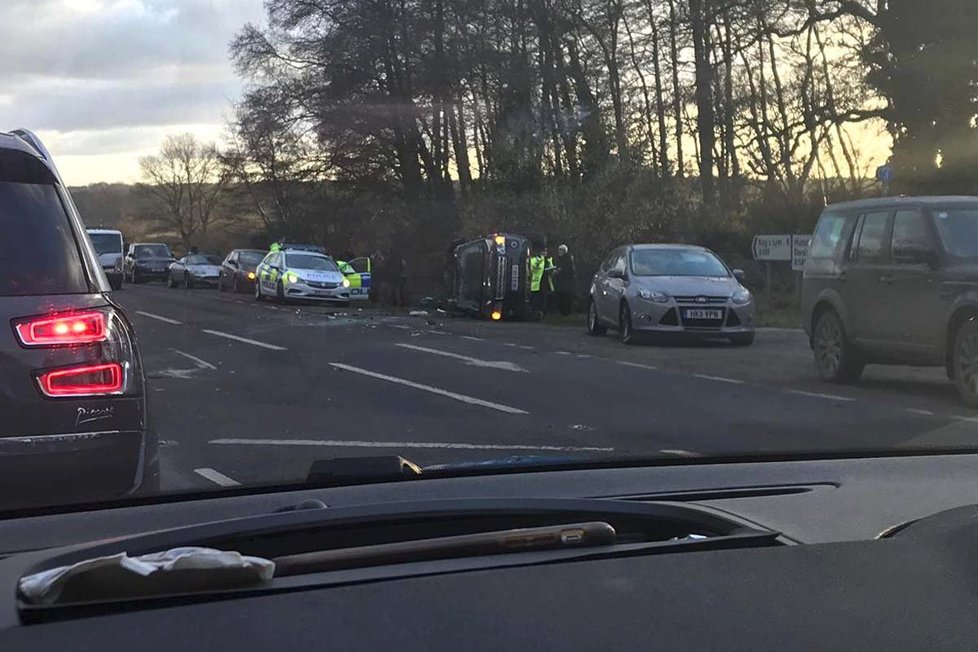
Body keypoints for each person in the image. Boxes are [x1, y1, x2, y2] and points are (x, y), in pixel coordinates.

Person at [554, 244, 576, 316]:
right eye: (559, 250)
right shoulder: (558, 259)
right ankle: (562, 312)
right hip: (560, 282)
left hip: (567, 282)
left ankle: (567, 312)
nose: (559, 252)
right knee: (560, 296)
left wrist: (562, 270)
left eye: (561, 250)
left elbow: (571, 270)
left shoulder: (569, 258)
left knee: (567, 297)